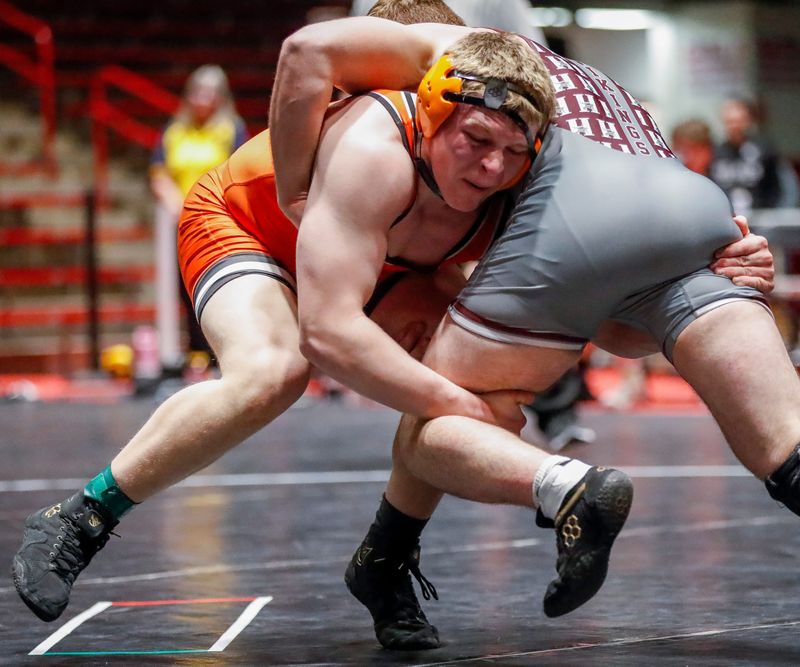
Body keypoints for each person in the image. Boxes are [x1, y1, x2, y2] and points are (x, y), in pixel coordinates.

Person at [10, 10, 772, 634]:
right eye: (475, 142)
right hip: (252, 227)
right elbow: (329, 336)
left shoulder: (515, 180)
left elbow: (613, 331)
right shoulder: (377, 145)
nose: (489, 168)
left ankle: (384, 555)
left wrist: (713, 275)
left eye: (511, 153)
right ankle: (81, 516)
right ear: (432, 107)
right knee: (273, 371)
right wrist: (295, 192)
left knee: (459, 376)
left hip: (385, 264)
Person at [271, 13, 798, 651]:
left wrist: (291, 190)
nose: (494, 165)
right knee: (786, 449)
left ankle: (498, 514)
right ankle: (381, 564)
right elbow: (620, 328)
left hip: (582, 214)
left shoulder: (451, 61)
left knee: (435, 427)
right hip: (696, 208)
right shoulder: (575, 90)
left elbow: (307, 51)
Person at [150, 65, 248, 361]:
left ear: (220, 97)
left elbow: (238, 170)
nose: (202, 99)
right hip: (181, 223)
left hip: (219, 221)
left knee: (220, 285)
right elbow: (159, 173)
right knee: (185, 291)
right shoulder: (174, 131)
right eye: (197, 92)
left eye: (209, 93)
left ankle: (225, 353)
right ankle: (196, 355)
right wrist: (174, 202)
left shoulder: (231, 129)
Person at [709, 97, 793, 214]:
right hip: (727, 218)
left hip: (762, 218)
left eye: (739, 121)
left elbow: (786, 187)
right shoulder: (715, 152)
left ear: (748, 121)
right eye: (730, 121)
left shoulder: (765, 149)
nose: (735, 126)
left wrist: (778, 214)